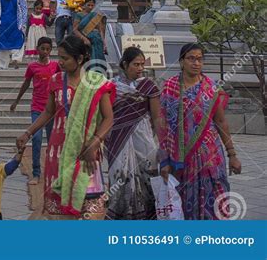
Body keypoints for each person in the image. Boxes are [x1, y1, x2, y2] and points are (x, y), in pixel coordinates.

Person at [16, 35, 115, 219]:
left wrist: (95, 143)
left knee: (88, 209)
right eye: (59, 57)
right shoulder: (55, 80)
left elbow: (109, 118)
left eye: (65, 58)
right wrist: (28, 133)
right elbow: (47, 112)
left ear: (79, 59)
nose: (60, 62)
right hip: (59, 151)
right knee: (60, 210)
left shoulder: (95, 82)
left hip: (86, 150)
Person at [159, 42, 241, 220]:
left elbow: (220, 121)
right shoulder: (170, 87)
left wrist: (232, 154)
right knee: (182, 203)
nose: (196, 63)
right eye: (191, 59)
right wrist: (164, 159)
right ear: (181, 62)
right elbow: (163, 125)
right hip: (179, 159)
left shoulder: (212, 89)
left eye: (199, 59)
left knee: (214, 200)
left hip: (210, 157)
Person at [105, 47, 161, 219]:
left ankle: (148, 216)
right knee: (120, 175)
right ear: (124, 64)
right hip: (118, 137)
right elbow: (107, 115)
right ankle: (121, 215)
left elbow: (157, 117)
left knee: (148, 175)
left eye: (142, 64)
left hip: (143, 137)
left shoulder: (148, 86)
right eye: (136, 64)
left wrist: (163, 143)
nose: (140, 68)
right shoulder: (112, 86)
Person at [10, 37, 59, 184]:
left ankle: (53, 173)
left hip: (52, 109)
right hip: (37, 108)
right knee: (36, 139)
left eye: (47, 49)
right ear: (37, 48)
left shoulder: (56, 66)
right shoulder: (32, 67)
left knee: (52, 141)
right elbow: (26, 84)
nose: (45, 51)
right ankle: (36, 172)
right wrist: (16, 101)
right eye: (42, 48)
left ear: (51, 50)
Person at [72, 0, 106, 68]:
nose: (90, 7)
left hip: (96, 40)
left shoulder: (95, 16)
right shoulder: (79, 15)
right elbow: (75, 30)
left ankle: (98, 69)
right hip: (84, 39)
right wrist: (84, 39)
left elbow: (100, 30)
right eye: (88, 5)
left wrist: (104, 43)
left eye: (92, 5)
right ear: (84, 5)